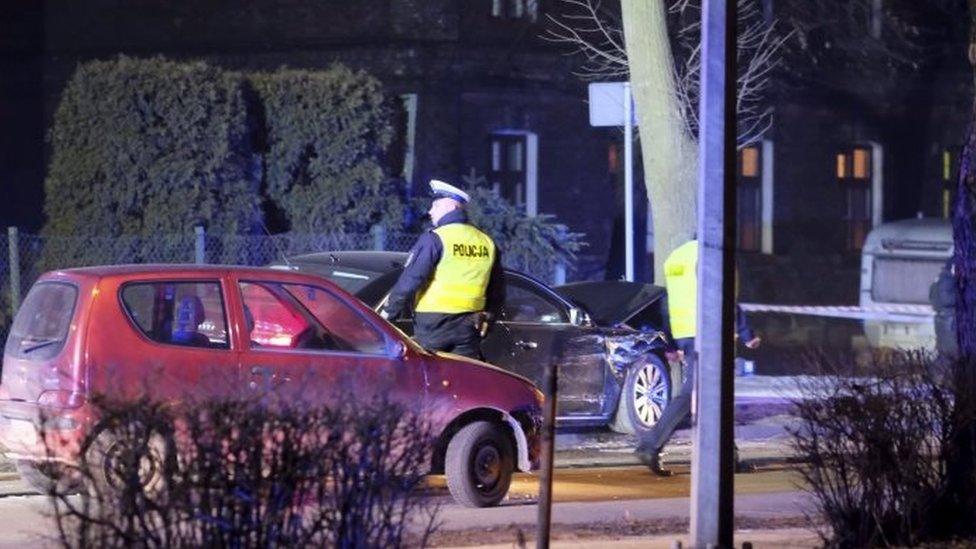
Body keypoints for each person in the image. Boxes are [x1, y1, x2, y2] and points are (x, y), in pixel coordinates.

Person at [635, 239, 761, 476]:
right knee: (694, 395)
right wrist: (746, 333)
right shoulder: (713, 253)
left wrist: (670, 342)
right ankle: (649, 445)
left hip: (686, 335)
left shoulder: (677, 256)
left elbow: (666, 302)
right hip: (710, 333)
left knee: (715, 398)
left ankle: (726, 459)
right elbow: (724, 297)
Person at [380, 179, 505, 360]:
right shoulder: (486, 242)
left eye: (435, 205)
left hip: (433, 325)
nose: (430, 211)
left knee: (429, 378)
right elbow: (497, 289)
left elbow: (410, 281)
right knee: (463, 378)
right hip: (469, 326)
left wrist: (387, 315)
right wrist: (489, 319)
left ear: (450, 206)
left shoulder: (436, 238)